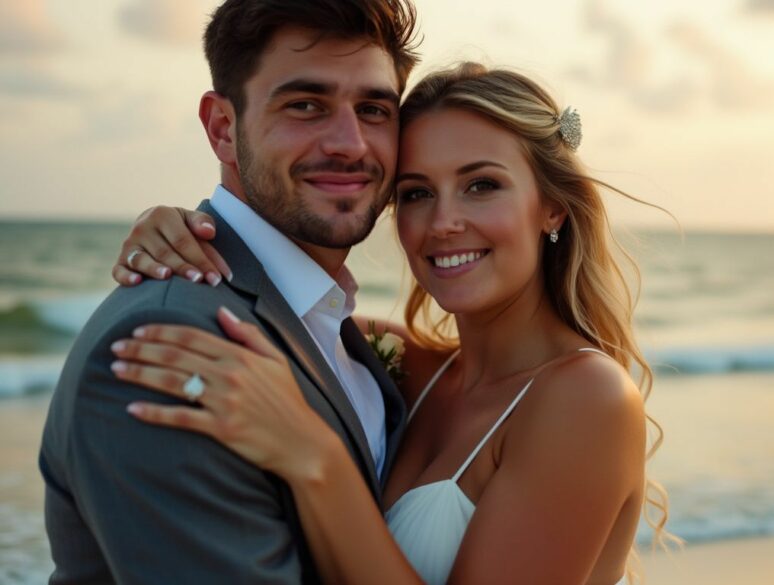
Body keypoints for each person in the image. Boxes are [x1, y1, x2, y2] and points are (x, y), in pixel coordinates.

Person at [105, 63, 676, 582]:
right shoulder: (396, 362)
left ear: (551, 206)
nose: (444, 222)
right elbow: (282, 304)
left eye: (481, 185)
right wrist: (183, 230)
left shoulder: (586, 399)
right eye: (417, 193)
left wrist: (316, 460)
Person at [39, 1, 419, 583]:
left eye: (373, 109)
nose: (350, 143)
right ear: (223, 127)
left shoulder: (332, 327)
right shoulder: (174, 348)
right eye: (305, 105)